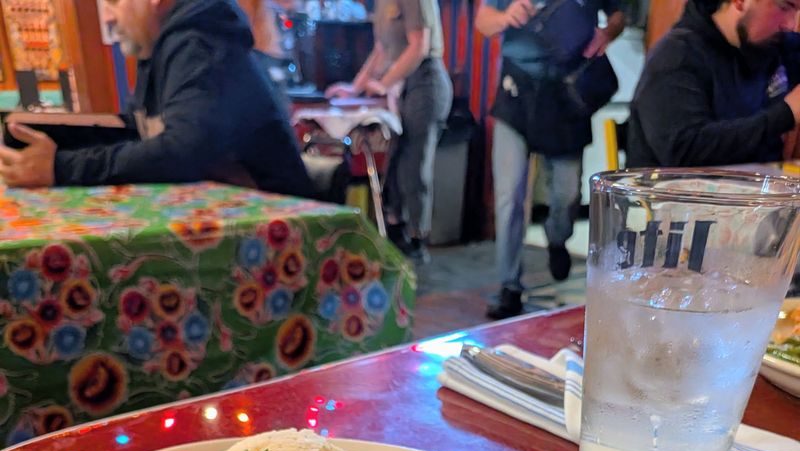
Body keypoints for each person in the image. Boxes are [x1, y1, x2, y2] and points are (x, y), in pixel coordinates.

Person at [0, 0, 312, 197]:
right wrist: (53, 148)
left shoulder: (199, 43)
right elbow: (144, 136)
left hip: (285, 243)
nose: (107, 19)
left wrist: (61, 168)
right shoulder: (165, 47)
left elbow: (182, 152)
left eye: (112, 2)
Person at [476, 0, 625, 320]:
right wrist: (505, 16)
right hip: (516, 93)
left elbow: (618, 15)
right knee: (509, 196)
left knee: (567, 193)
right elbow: (483, 21)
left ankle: (558, 237)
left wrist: (606, 34)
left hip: (566, 94)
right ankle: (509, 286)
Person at [326, 0, 453, 262]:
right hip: (402, 84)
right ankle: (395, 233)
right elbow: (381, 50)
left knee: (413, 164)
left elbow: (419, 45)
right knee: (394, 162)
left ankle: (416, 238)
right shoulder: (382, 4)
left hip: (426, 82)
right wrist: (355, 88)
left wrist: (384, 84)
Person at [627, 0, 800, 167]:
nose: (791, 24)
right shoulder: (676, 56)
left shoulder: (773, 47)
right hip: (670, 194)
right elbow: (686, 152)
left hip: (754, 191)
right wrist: (786, 114)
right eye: (785, 6)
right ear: (739, 1)